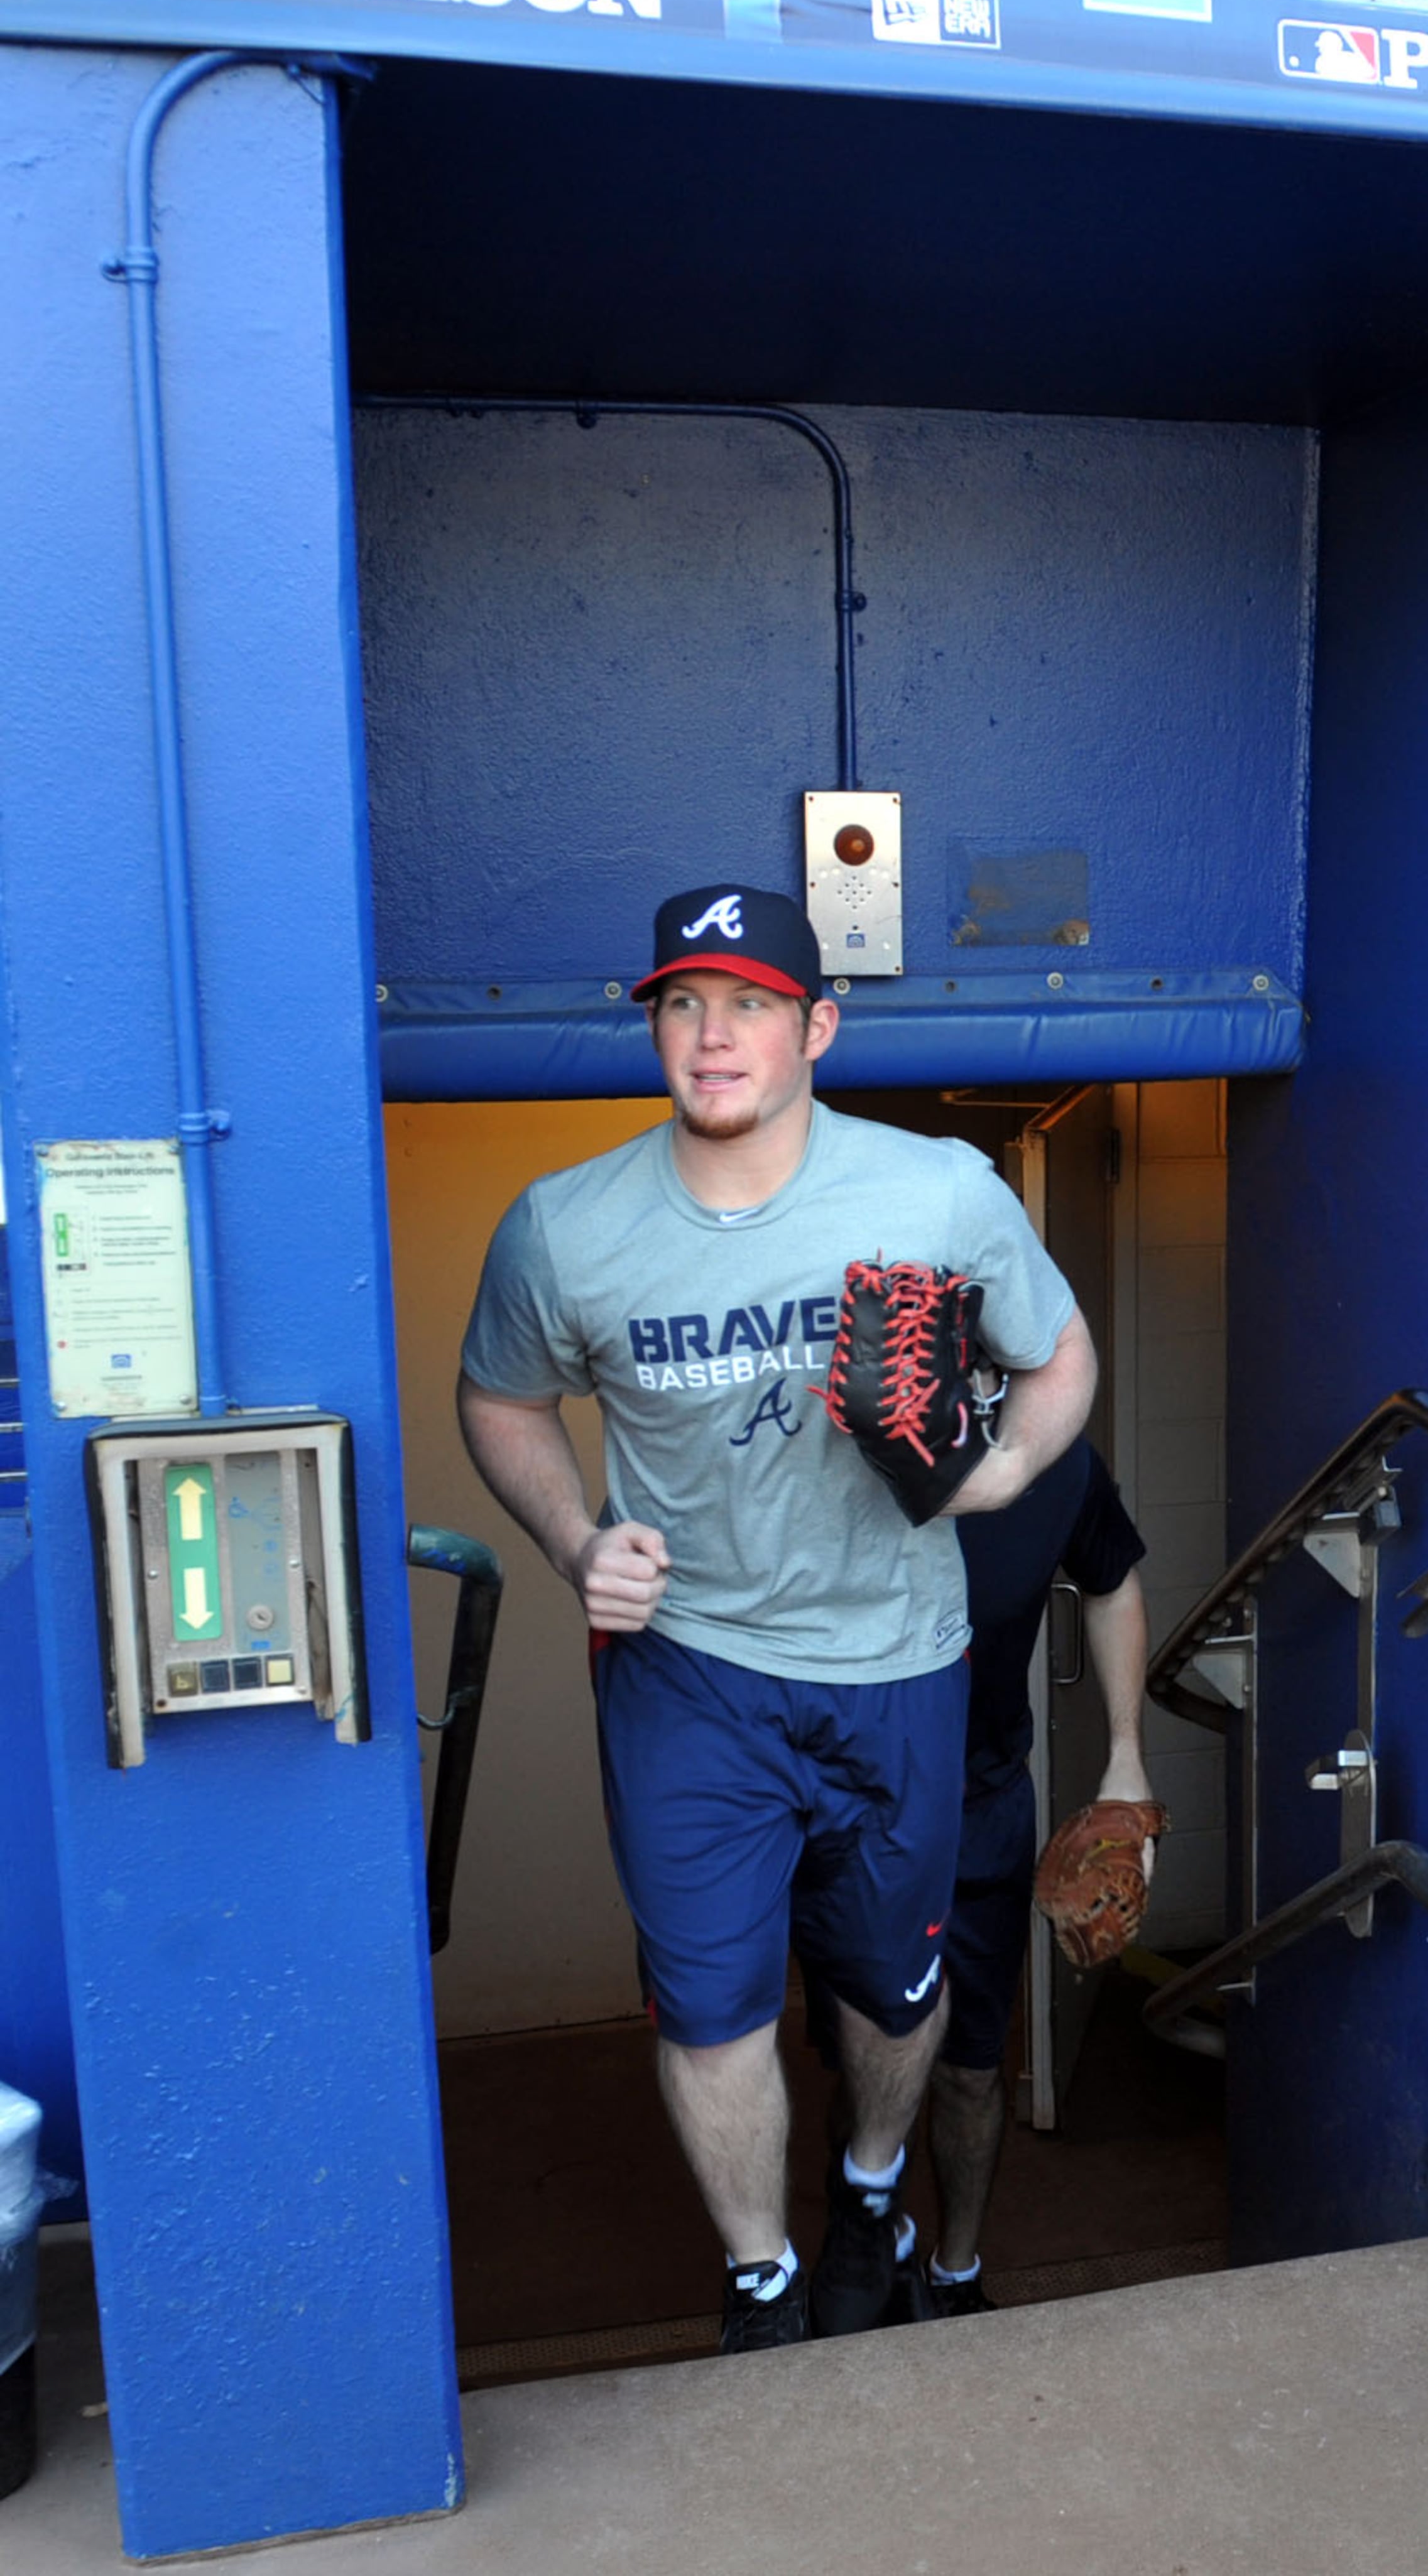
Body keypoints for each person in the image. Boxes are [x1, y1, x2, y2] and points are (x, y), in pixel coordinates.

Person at [455, 881, 1096, 2354]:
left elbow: (1058, 1353)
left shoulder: (934, 1191)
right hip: (689, 1668)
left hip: (895, 1661)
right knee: (711, 2002)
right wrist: (573, 1535)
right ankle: (761, 2282)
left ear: (818, 1025)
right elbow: (501, 1395)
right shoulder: (566, 1227)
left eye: (750, 1002)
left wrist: (1003, 1466)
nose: (713, 1033)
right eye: (684, 1002)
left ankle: (870, 2188)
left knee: (894, 1983)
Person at [807, 1436, 1151, 2315]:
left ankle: (956, 2274)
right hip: (853, 1802)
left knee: (970, 2067)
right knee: (866, 2063)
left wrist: (1125, 1757)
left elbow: (1111, 1580)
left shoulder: (1055, 1461)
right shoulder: (832, 1450)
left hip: (983, 1798)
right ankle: (870, 2254)